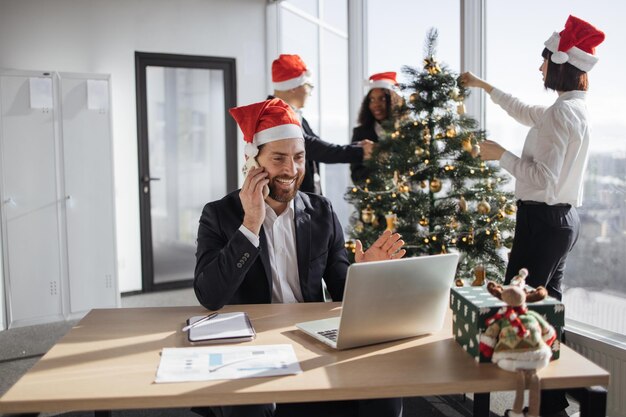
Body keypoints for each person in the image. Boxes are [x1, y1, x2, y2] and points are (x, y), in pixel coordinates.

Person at [193, 97, 405, 417]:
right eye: (278, 158)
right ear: (253, 161)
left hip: (309, 338)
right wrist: (250, 224)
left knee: (384, 393)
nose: (291, 170)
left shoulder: (321, 211)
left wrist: (365, 274)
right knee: (250, 408)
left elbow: (340, 288)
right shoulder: (219, 215)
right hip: (250, 345)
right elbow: (210, 296)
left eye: (299, 157)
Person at [460, 15, 605, 417]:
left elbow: (543, 177)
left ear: (560, 63)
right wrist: (486, 87)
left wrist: (499, 155)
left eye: (544, 61)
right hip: (561, 222)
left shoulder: (561, 115)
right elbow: (525, 111)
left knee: (519, 314)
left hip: (542, 222)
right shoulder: (572, 109)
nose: (539, 68)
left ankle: (542, 405)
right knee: (546, 312)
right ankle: (551, 403)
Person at [270, 54, 374, 194]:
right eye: (309, 86)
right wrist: (360, 152)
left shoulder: (292, 114)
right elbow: (311, 147)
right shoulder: (276, 115)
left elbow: (316, 143)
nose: (311, 93)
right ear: (294, 87)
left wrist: (357, 147)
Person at [350, 72, 404, 183]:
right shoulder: (360, 133)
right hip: (372, 196)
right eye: (372, 100)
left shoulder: (406, 131)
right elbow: (356, 175)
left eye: (382, 99)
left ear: (393, 101)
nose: (376, 105)